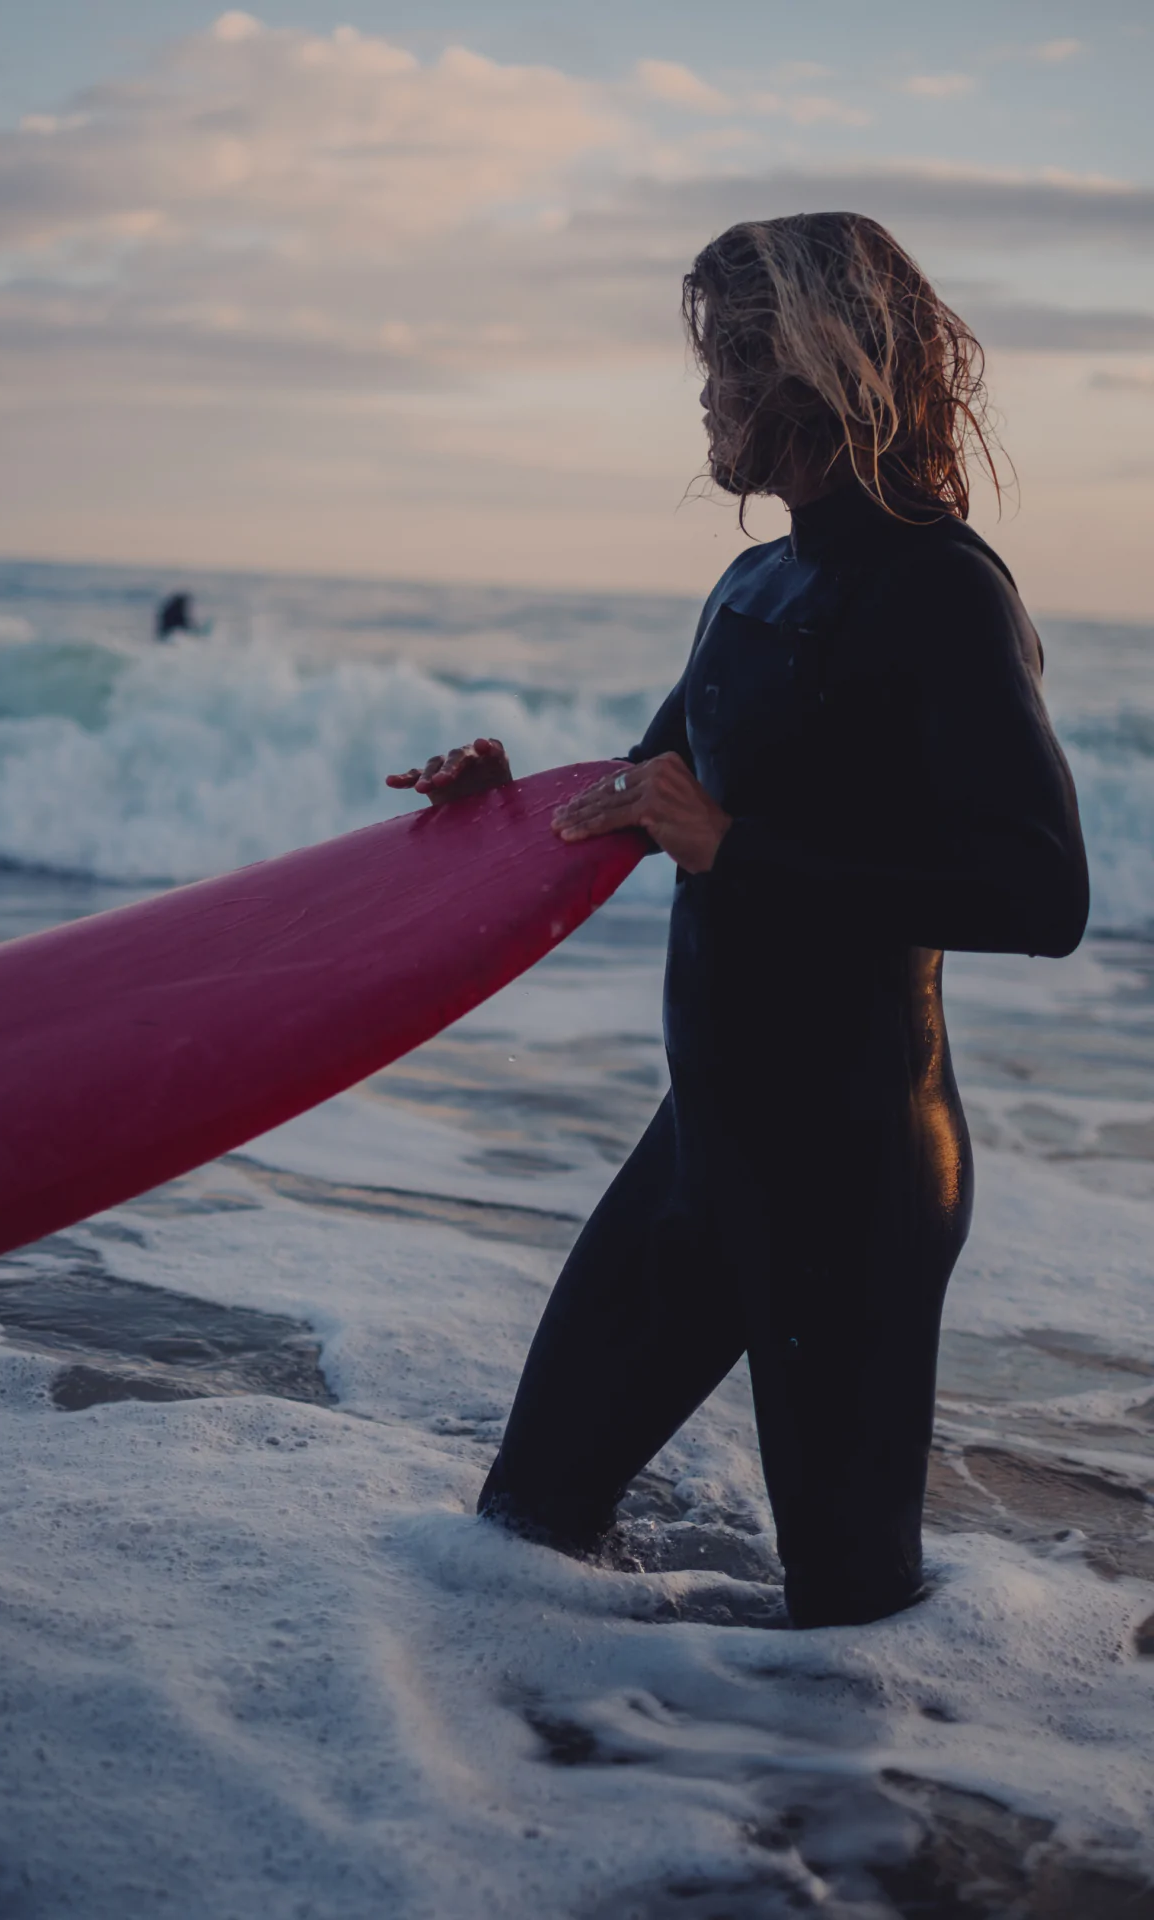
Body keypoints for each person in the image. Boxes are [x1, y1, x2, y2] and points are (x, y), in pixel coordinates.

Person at [386, 212, 1089, 1630]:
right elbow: (656, 795)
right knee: (520, 1533)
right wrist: (511, 806)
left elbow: (1041, 892)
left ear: (809, 381)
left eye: (730, 365)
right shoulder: (756, 580)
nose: (705, 396)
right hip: (707, 1148)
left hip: (856, 1178)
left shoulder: (940, 588)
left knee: (852, 1620)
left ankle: (901, 1834)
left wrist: (739, 848)